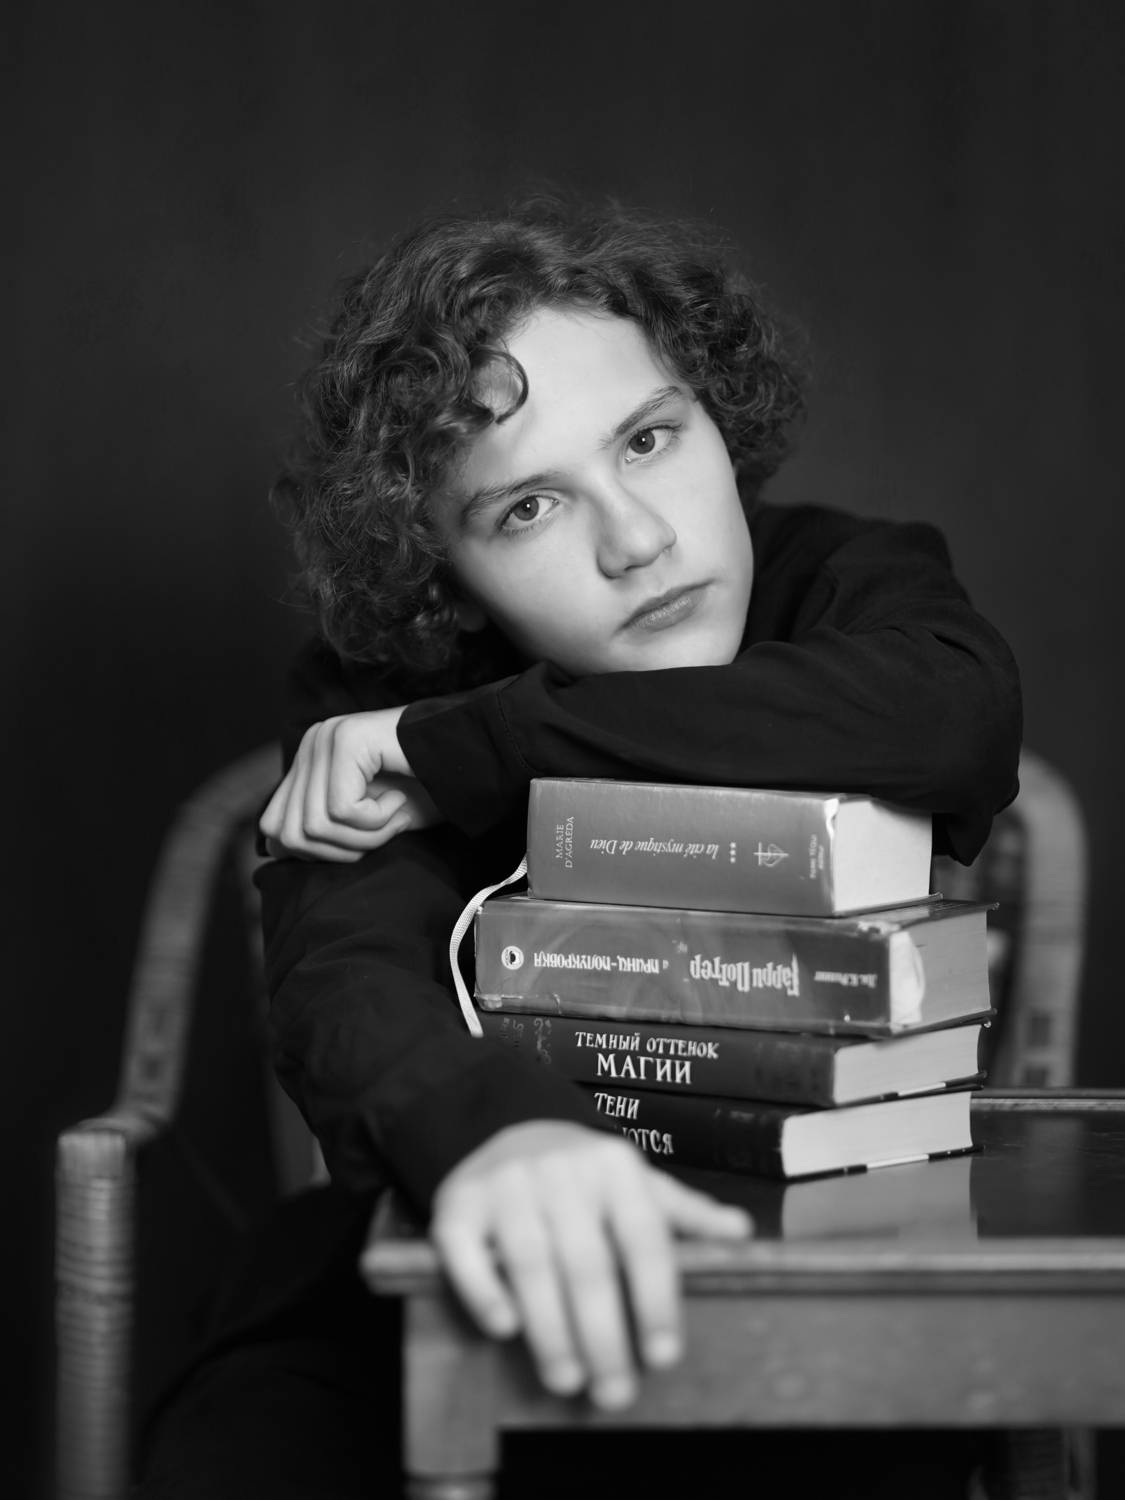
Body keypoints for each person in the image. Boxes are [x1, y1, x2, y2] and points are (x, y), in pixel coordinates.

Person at [138, 194, 1021, 1499]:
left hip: (828, 1242)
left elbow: (954, 718)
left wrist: (467, 747)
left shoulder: (845, 577)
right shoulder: (375, 687)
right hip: (452, 1231)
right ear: (443, 576)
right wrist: (497, 1136)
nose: (638, 541)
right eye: (528, 510)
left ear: (717, 416)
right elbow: (340, 971)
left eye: (650, 439)